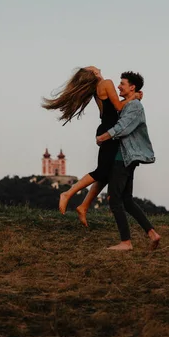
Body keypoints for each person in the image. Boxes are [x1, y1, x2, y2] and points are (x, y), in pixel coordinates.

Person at [41, 66, 140, 227]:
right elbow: (119, 108)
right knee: (102, 171)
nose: (98, 67)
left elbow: (112, 110)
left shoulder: (97, 89)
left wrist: (131, 99)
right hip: (109, 133)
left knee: (106, 173)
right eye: (94, 68)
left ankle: (83, 206)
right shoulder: (106, 83)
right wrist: (134, 97)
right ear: (94, 73)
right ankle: (67, 193)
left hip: (106, 129)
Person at [96, 71, 161, 251]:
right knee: (127, 200)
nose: (118, 87)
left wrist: (103, 137)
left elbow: (122, 127)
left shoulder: (135, 107)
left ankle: (126, 242)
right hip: (126, 157)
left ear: (132, 87)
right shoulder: (130, 104)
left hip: (122, 158)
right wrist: (100, 78)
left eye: (122, 84)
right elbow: (118, 109)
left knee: (113, 198)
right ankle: (153, 234)